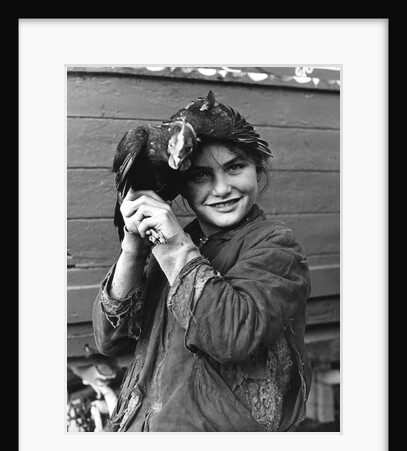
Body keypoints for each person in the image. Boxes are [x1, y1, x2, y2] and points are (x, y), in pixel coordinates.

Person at [92, 98, 312, 432]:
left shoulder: (276, 246)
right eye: (201, 175)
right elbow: (110, 340)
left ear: (257, 169)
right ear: (181, 184)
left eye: (235, 167)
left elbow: (231, 337)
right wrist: (134, 249)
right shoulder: (173, 243)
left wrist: (173, 244)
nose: (222, 189)